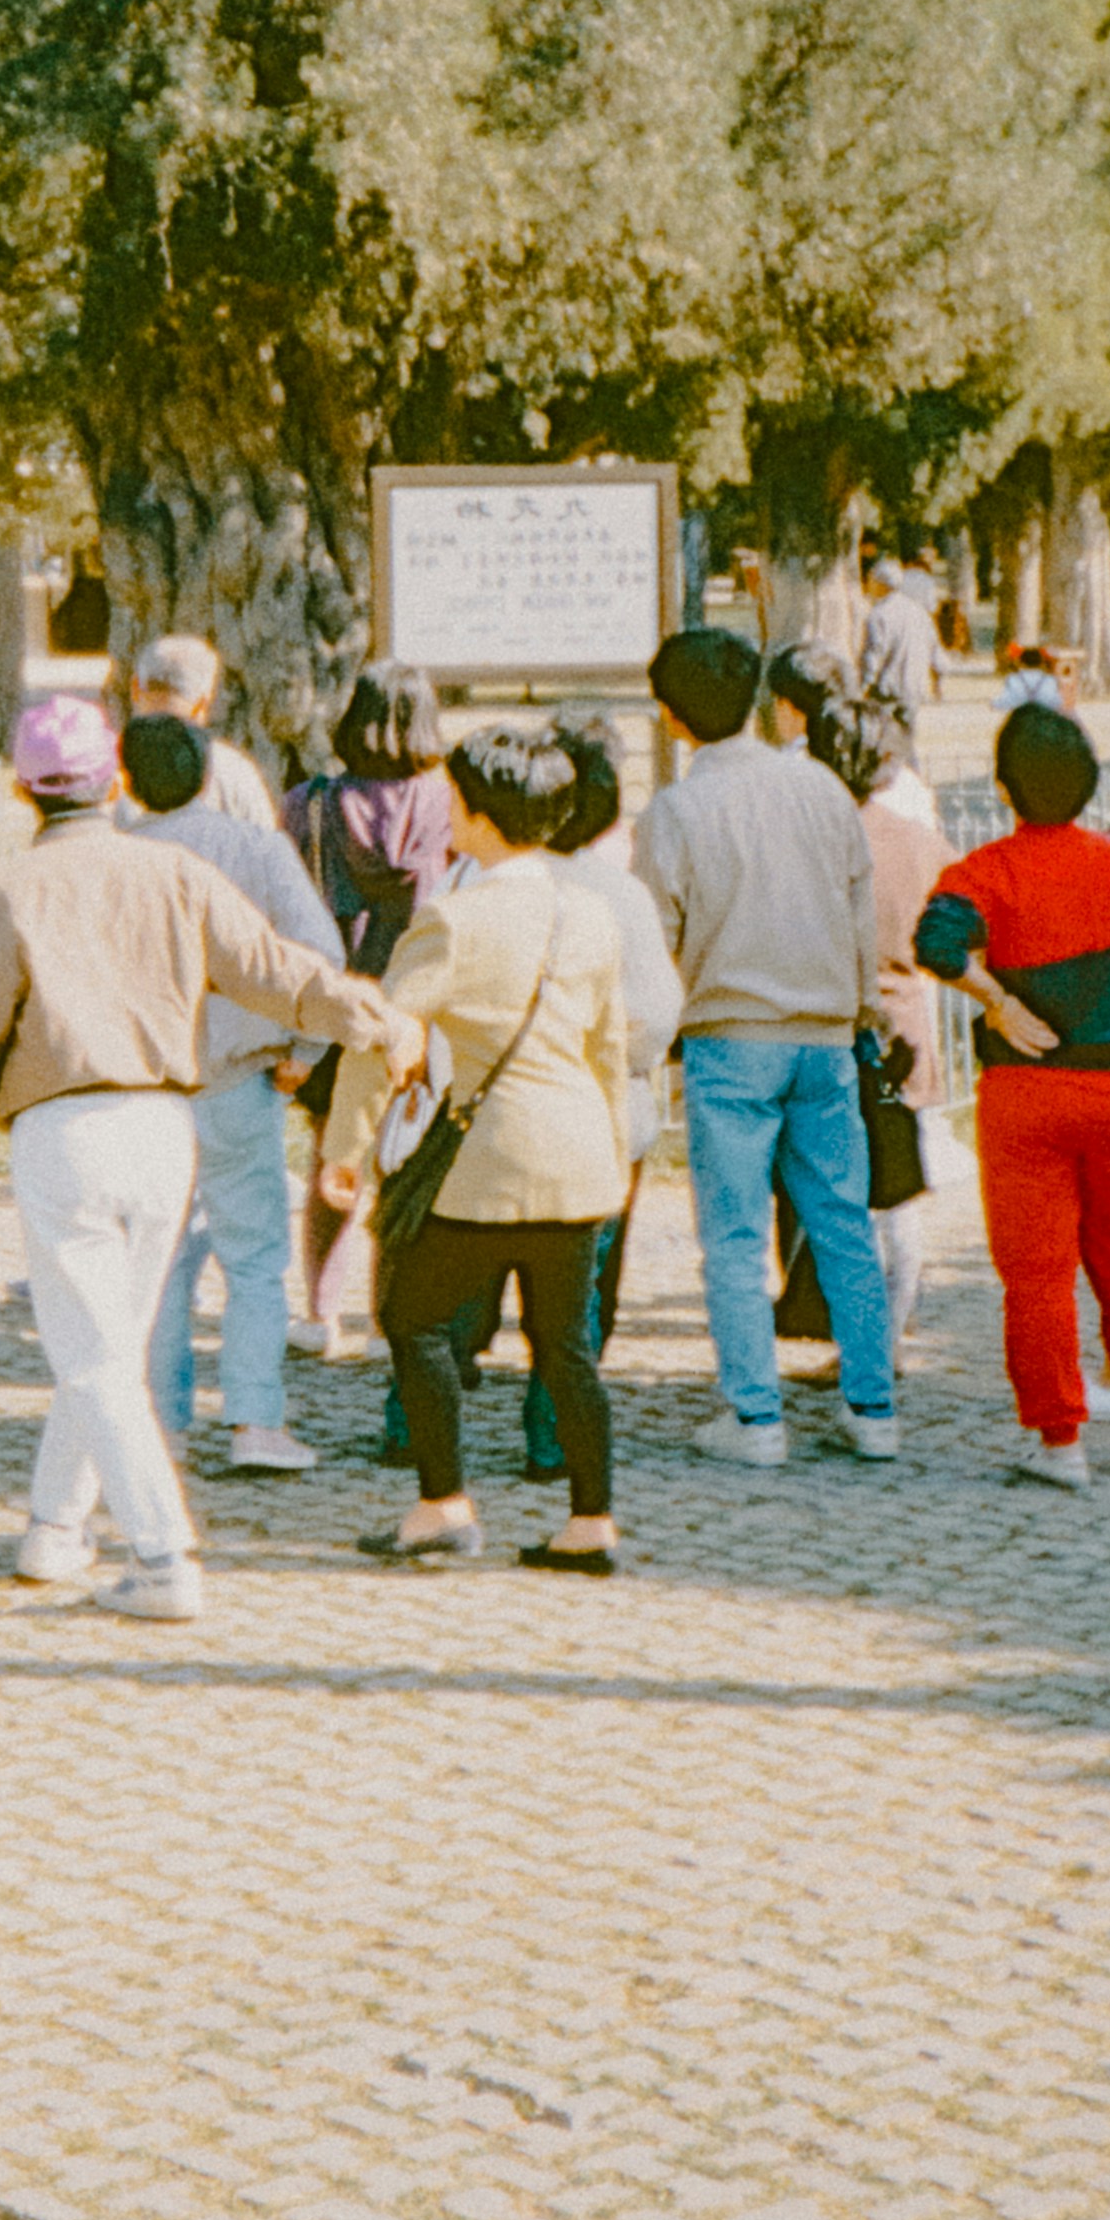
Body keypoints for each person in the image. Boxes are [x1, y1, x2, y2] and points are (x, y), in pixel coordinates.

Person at [0, 694, 392, 1623]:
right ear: (112, 780)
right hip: (163, 1125)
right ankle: (53, 1528)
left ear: (21, 786)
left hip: (60, 1133)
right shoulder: (175, 873)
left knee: (93, 1356)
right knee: (103, 1345)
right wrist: (367, 1015)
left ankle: (163, 1555)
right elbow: (275, 969)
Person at [319, 719, 633, 1574]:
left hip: (487, 1162)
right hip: (578, 1156)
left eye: (455, 798)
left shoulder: (453, 921)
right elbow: (609, 1048)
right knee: (565, 1346)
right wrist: (611, 1143)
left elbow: (385, 1035)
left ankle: (442, 1501)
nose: (445, 810)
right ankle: (591, 1519)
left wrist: (344, 1148)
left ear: (485, 813)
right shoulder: (593, 913)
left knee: (414, 1318)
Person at [636, 624, 900, 1467]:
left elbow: (656, 936)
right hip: (825, 1035)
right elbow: (858, 907)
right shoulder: (821, 788)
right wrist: (863, 1006)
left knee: (735, 1234)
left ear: (673, 718)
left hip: (727, 1036)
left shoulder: (675, 810)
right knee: (842, 1222)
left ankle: (754, 1416)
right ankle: (874, 1405)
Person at [915, 703, 1110, 1490]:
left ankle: (1059, 1442)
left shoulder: (984, 872)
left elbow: (933, 942)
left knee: (1034, 1273)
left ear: (1003, 788)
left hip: (1026, 1093)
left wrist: (996, 999)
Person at [447, 705, 682, 1483]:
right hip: (593, 1124)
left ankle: (418, 1426)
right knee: (576, 1298)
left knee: (449, 1284)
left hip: (474, 1116)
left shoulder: (465, 881)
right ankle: (551, 1437)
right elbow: (653, 1020)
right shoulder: (617, 897)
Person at [117, 709, 347, 1480]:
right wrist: (304, 1048)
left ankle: (161, 1425)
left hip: (142, 1086)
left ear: (126, 779)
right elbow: (319, 950)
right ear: (210, 773)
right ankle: (254, 1419)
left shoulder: (116, 859)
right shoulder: (254, 849)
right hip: (239, 1075)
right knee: (253, 1256)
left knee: (158, 1260)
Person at [282, 659, 454, 1351]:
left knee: (333, 1154)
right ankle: (393, 1312)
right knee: (407, 1161)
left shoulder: (309, 804)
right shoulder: (446, 800)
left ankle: (321, 1312)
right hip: (420, 998)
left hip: (338, 999)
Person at [800, 679, 945, 1362]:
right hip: (901, 1026)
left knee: (836, 1195)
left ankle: (852, 1334)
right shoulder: (918, 842)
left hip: (825, 1024)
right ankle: (886, 1334)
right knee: (899, 1191)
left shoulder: (807, 840)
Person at [128, 631, 280, 827]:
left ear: (134, 688)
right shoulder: (236, 774)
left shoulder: (105, 768)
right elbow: (265, 845)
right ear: (203, 705)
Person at [857, 554, 942, 741]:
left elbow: (873, 655)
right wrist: (938, 681)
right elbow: (935, 649)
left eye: (871, 580)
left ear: (880, 584)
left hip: (886, 692)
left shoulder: (878, 615)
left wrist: (862, 689)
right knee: (906, 742)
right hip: (914, 689)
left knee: (883, 746)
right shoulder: (919, 612)